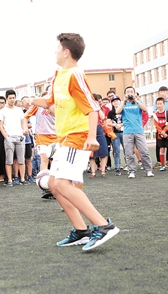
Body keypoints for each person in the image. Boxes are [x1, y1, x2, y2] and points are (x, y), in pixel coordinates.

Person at [30, 33, 120, 251]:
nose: (55, 52)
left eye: (57, 48)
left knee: (61, 184)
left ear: (66, 52)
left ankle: (103, 226)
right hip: (64, 138)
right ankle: (81, 231)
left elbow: (91, 108)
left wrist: (91, 136)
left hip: (77, 136)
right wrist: (31, 100)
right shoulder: (59, 74)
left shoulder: (75, 75)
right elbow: (50, 101)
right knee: (53, 184)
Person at [116, 86, 154, 178]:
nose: (129, 93)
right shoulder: (122, 103)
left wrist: (136, 100)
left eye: (131, 91)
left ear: (134, 93)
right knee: (129, 153)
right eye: (127, 91)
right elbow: (117, 111)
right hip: (127, 131)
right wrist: (124, 101)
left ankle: (148, 170)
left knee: (144, 151)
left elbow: (145, 109)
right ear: (125, 94)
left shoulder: (138, 102)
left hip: (138, 130)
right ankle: (131, 171)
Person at [0, 90, 29, 186]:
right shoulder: (2, 111)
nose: (12, 100)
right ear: (7, 99)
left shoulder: (19, 110)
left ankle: (22, 179)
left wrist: (24, 130)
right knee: (9, 160)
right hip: (9, 137)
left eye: (13, 98)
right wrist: (6, 137)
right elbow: (0, 125)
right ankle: (10, 180)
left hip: (20, 136)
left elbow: (23, 121)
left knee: (21, 159)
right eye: (10, 98)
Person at [107, 96, 125, 175]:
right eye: (114, 101)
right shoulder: (111, 112)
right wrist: (115, 125)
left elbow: (127, 119)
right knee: (116, 151)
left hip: (124, 132)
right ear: (112, 103)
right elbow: (108, 122)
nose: (116, 102)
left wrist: (121, 124)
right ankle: (117, 167)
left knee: (127, 150)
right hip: (115, 133)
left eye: (117, 101)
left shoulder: (123, 110)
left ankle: (129, 166)